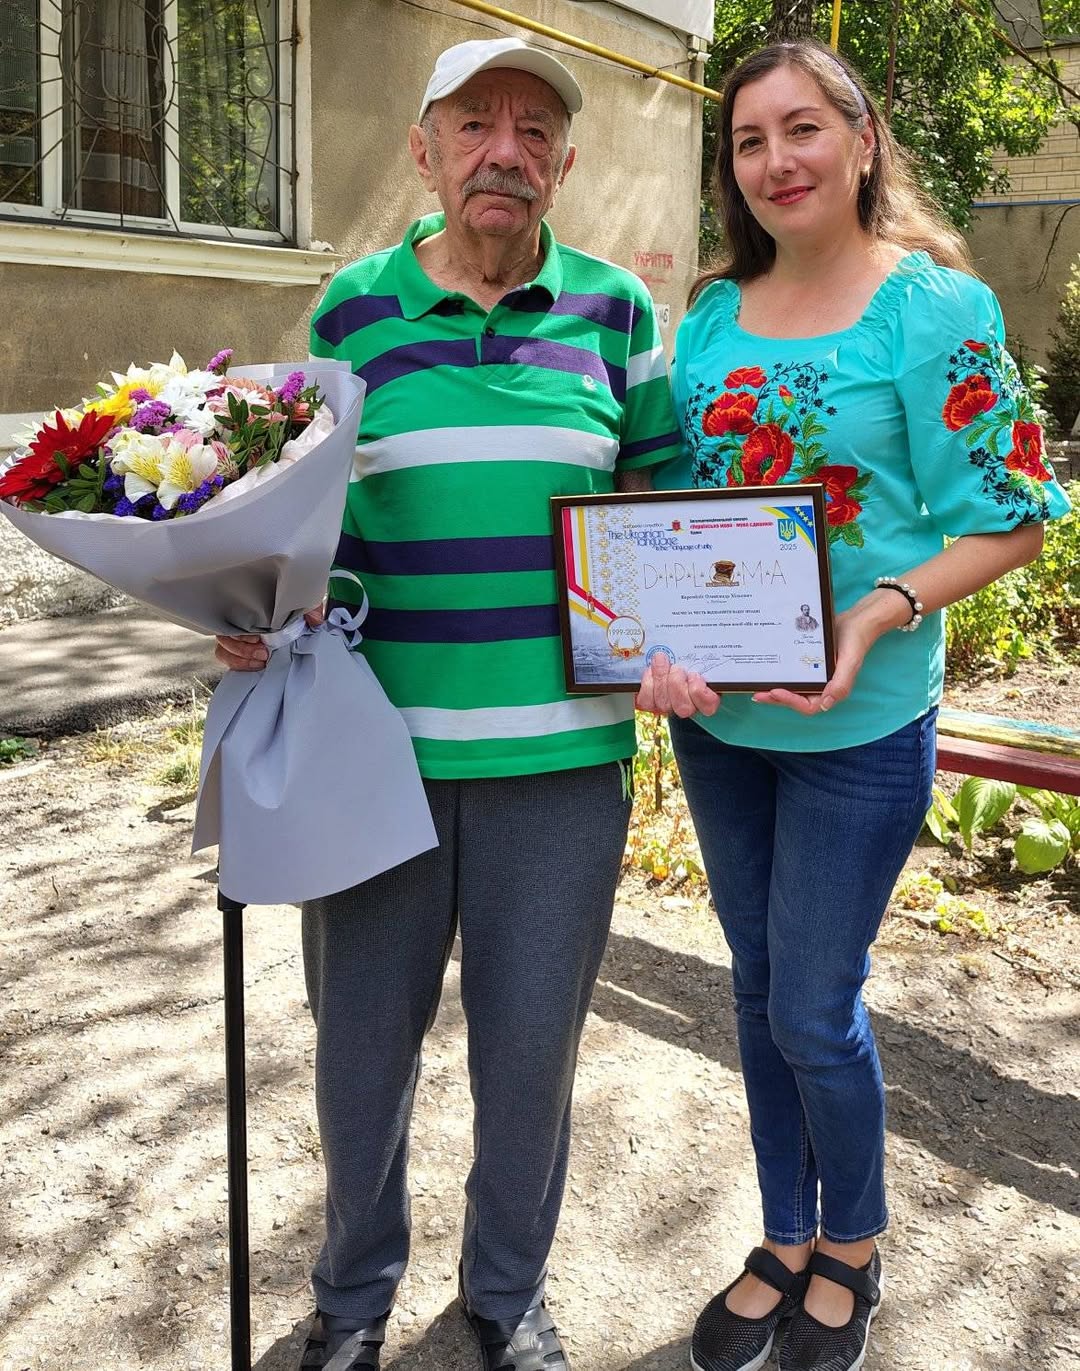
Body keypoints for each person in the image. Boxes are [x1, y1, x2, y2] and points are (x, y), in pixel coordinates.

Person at [216, 36, 680, 1371]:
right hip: (378, 754)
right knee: (361, 1056)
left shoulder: (616, 313)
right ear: (423, 151)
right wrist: (250, 604)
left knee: (531, 1059)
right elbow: (304, 522)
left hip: (562, 762)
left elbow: (656, 504)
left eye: (534, 132)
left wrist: (682, 630)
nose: (504, 153)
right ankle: (353, 1295)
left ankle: (506, 1291)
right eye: (475, 125)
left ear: (565, 167)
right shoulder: (353, 312)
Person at [636, 38, 1071, 1371]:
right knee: (758, 985)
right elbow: (680, 511)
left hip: (860, 724)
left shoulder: (932, 309)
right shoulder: (713, 315)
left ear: (863, 139)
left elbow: (1014, 519)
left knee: (812, 1007)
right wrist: (650, 640)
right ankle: (784, 1233)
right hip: (724, 725)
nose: (776, 160)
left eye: (802, 128)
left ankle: (854, 1244)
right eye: (749, 140)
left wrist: (878, 608)